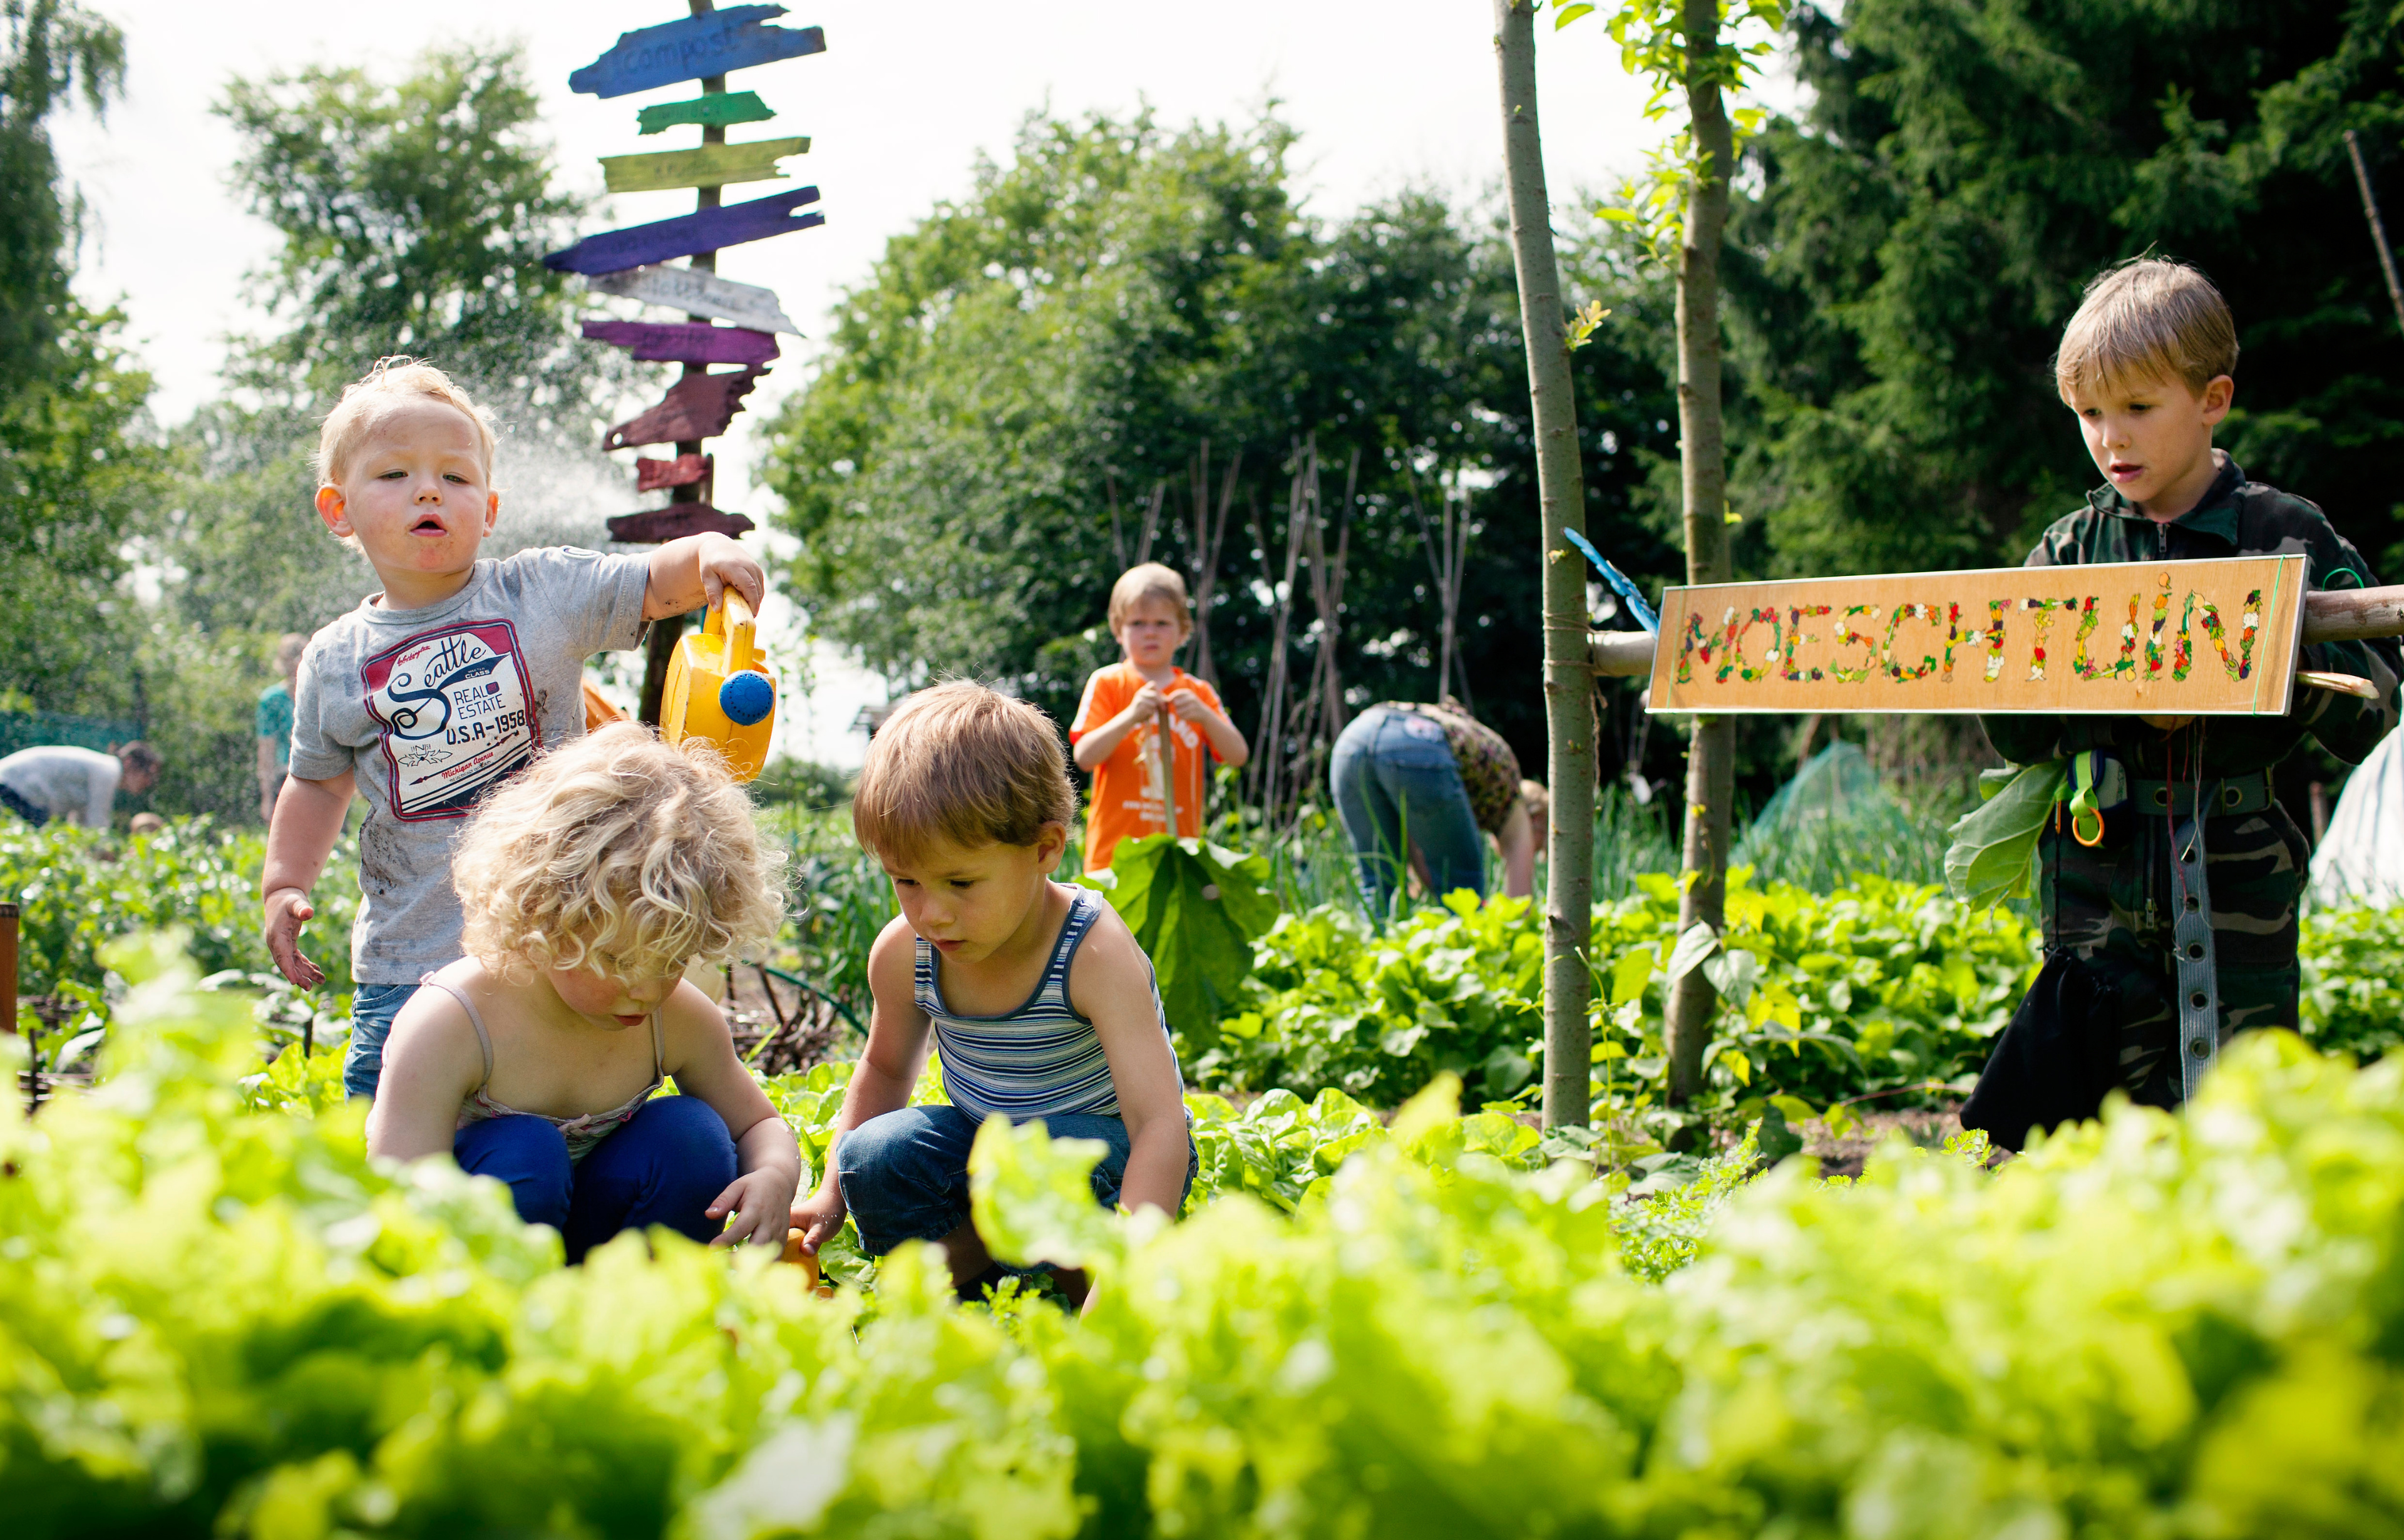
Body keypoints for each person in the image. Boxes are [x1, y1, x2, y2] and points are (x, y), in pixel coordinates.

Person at [259, 357, 765, 1101]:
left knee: (547, 1129)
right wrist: (284, 883)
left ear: (488, 510)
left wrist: (706, 553)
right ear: (339, 510)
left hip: (551, 958)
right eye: (395, 474)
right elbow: (316, 784)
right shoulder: (335, 658)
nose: (429, 489)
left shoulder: (540, 592)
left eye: (455, 478)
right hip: (409, 961)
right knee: (394, 1136)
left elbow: (654, 582)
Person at [1976, 259, 2400, 1121]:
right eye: (2090, 413)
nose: (2110, 438)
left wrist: (2257, 669)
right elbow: (2015, 732)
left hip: (2239, 863)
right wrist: (2085, 689)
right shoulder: (2069, 553)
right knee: (2104, 1115)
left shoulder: (2283, 535)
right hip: (2100, 874)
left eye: (2137, 408)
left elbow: (2378, 716)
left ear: (2212, 400)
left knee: (2239, 1102)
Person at [788, 682, 1195, 1303]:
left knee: (1052, 1158)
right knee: (876, 1156)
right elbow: (885, 1067)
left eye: (960, 882)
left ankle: (1068, 1278)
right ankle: (972, 1282)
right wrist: (829, 1196)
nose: (933, 914)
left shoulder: (1092, 952)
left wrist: (1130, 1264)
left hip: (1109, 1157)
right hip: (988, 1149)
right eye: (907, 881)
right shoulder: (907, 954)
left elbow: (1159, 1124)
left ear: (1045, 849)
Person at [365, 722, 799, 1260]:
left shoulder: (678, 1019)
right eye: (616, 961)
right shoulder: (454, 1021)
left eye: (670, 961)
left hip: (602, 1243)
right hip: (478, 1249)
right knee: (528, 1150)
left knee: (692, 1133)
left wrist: (774, 1174)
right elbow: (400, 1186)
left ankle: (642, 1310)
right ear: (543, 921)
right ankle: (510, 1319)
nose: (644, 990)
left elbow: (757, 1123)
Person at [1069, 563, 1248, 871]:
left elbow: (1238, 756)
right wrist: (1130, 716)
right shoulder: (1108, 683)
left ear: (1183, 631)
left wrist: (1205, 717)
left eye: (1162, 623)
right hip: (1112, 858)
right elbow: (1084, 757)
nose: (1150, 632)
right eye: (1137, 623)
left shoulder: (1198, 692)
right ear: (1118, 629)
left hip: (1179, 853)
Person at [1328, 699, 1543, 915]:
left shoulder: (1488, 782)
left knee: (1380, 885)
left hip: (1352, 740)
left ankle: (1374, 945)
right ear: (1538, 821)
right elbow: (1520, 905)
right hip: (1417, 743)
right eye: (1542, 847)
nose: (1538, 856)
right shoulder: (1514, 800)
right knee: (1463, 890)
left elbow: (1425, 862)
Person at [0, 741, 160, 828]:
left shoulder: (102, 769)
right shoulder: (109, 770)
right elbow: (97, 826)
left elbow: (80, 825)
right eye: (147, 775)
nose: (148, 783)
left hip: (15, 787)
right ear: (129, 762)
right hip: (13, 786)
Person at [256, 633, 306, 822]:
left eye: (297, 657)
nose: (293, 664)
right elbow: (266, 749)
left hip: (322, 774)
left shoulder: (322, 695)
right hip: (286, 777)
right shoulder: (272, 700)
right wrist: (267, 796)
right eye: (289, 658)